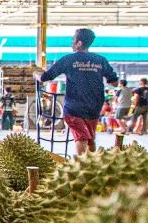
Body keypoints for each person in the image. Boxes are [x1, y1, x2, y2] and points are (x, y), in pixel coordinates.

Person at [37, 27, 119, 156]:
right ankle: (93, 167)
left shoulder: (68, 60)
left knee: (81, 138)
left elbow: (45, 77)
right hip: (94, 107)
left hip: (74, 108)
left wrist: (36, 74)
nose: (71, 43)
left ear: (79, 43)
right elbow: (114, 82)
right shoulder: (100, 60)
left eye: (73, 40)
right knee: (90, 139)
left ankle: (82, 169)